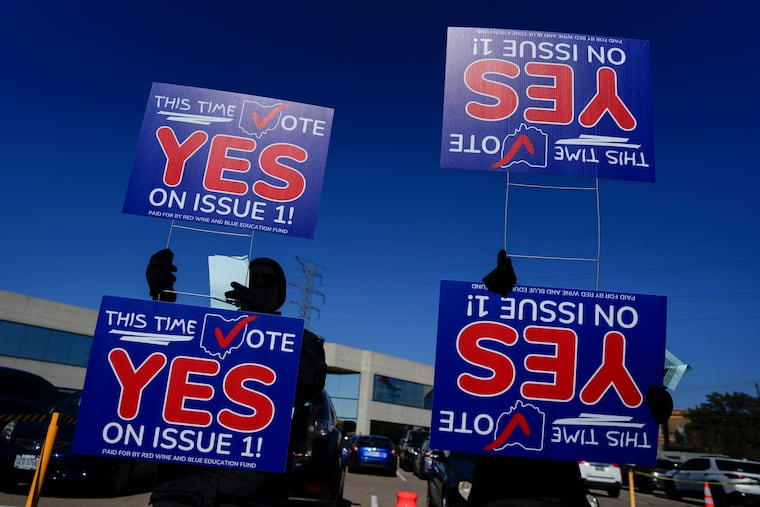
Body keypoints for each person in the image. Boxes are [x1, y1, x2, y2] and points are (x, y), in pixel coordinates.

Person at [467, 250, 673, 507]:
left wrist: (647, 412)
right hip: (498, 491)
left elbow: (618, 417)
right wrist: (492, 298)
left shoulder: (580, 382)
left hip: (558, 492)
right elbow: (468, 401)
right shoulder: (494, 373)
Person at [145, 248, 327, 507]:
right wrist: (161, 298)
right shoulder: (203, 332)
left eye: (269, 282)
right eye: (253, 279)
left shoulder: (302, 342)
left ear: (280, 296)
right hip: (181, 486)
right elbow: (158, 364)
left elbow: (308, 384)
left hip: (252, 493)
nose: (260, 285)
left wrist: (262, 321)